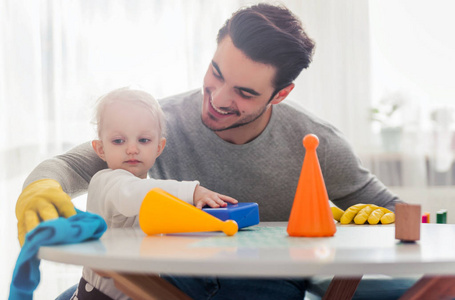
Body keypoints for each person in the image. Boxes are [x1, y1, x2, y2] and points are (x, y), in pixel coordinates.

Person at [16, 3, 416, 300]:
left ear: (281, 94)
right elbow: (71, 165)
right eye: (216, 74)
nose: (219, 99)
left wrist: (377, 219)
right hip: (170, 277)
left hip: (263, 286)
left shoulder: (315, 142)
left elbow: (401, 214)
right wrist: (39, 187)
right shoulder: (158, 124)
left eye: (244, 92)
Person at [71, 87, 238, 299]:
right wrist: (192, 191)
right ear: (100, 149)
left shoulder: (147, 188)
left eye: (143, 140)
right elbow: (134, 194)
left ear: (159, 148)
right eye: (119, 141)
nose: (132, 149)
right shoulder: (107, 182)